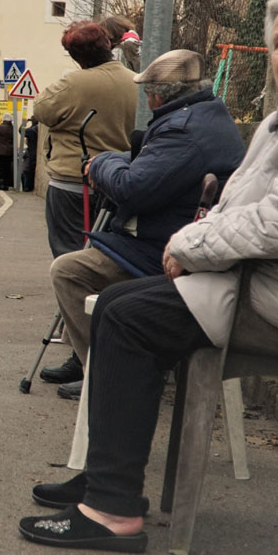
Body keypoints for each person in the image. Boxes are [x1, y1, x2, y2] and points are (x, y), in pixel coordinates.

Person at [19, 0, 278, 553]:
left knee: (126, 316)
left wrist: (193, 246)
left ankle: (111, 508)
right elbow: (247, 207)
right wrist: (198, 242)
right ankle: (106, 482)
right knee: (125, 307)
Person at [39, 49, 246, 400]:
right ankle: (106, 366)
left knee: (69, 270)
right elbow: (151, 163)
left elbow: (132, 189)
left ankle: (106, 374)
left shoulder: (182, 130)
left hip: (167, 249)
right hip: (180, 238)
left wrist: (102, 163)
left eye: (147, 92)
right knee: (84, 261)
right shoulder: (204, 115)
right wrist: (119, 160)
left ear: (156, 94)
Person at [32, 21, 136, 258]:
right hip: (117, 181)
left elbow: (41, 111)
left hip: (72, 181)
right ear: (108, 44)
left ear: (74, 56)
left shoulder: (72, 84)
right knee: (108, 256)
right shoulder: (136, 82)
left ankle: (75, 294)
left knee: (68, 255)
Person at [0, 116, 14, 191]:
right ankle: (6, 185)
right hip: (9, 151)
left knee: (1, 168)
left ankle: (1, 184)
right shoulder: (12, 128)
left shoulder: (0, 127)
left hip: (0, 151)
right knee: (7, 168)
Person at [21, 117, 38, 192]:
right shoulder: (36, 128)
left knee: (26, 171)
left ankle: (26, 187)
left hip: (31, 153)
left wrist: (24, 123)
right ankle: (28, 187)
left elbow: (21, 131)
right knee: (29, 171)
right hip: (34, 152)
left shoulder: (32, 130)